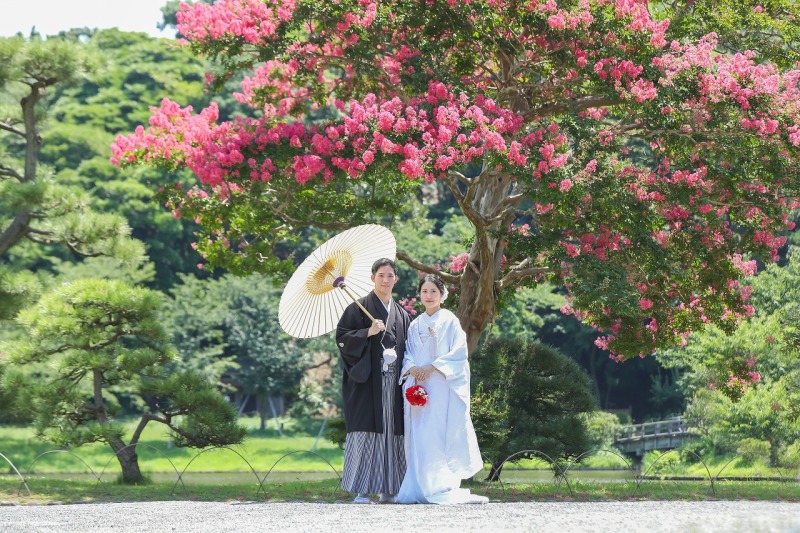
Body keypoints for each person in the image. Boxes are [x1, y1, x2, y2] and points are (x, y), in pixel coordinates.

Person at [395, 274, 488, 505]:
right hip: (419, 384)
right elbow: (407, 353)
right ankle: (421, 484)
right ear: (420, 294)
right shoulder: (415, 323)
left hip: (440, 384)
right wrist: (413, 368)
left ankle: (441, 484)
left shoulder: (449, 320)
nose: (428, 296)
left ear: (442, 294)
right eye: (424, 291)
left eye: (433, 292)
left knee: (438, 432)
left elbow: (458, 353)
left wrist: (432, 367)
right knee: (420, 434)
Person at [336, 258, 412, 504]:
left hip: (394, 384)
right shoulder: (357, 308)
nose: (386, 280)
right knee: (367, 431)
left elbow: (410, 348)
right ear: (372, 278)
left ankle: (390, 488)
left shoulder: (402, 314)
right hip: (368, 382)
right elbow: (342, 339)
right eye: (381, 275)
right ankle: (362, 490)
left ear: (396, 279)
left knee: (393, 433)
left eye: (390, 275)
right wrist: (366, 332)